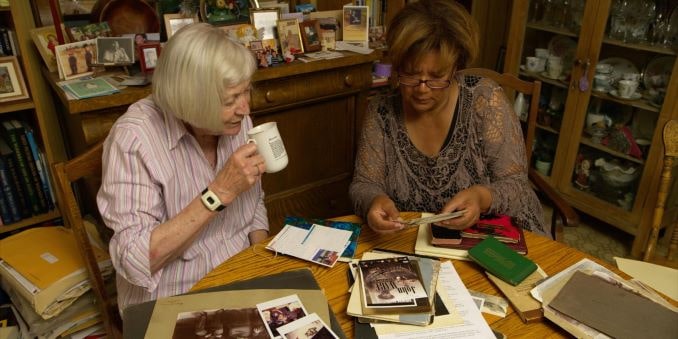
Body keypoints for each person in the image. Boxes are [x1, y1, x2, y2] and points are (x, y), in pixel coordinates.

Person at [97, 23, 269, 313]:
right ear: (192, 101)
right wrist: (217, 193)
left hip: (239, 278)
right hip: (174, 298)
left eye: (246, 92)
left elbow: (254, 203)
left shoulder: (237, 122)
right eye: (230, 100)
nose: (245, 109)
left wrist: (260, 263)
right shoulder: (134, 139)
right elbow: (134, 259)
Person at [348, 0, 547, 237]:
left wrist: (481, 197)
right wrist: (374, 201)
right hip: (419, 243)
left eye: (436, 77)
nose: (422, 89)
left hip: (495, 238)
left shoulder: (484, 100)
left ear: (456, 68)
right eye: (410, 75)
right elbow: (363, 184)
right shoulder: (382, 110)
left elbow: (516, 186)